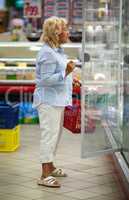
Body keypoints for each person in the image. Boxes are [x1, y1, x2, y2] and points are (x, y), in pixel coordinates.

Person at [33, 16, 75, 188]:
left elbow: (58, 74)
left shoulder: (57, 50)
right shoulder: (47, 53)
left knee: (55, 136)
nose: (68, 32)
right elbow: (45, 80)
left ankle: (50, 166)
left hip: (57, 99)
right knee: (48, 135)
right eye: (65, 29)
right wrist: (65, 72)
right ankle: (44, 174)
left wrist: (70, 77)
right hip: (48, 101)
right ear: (56, 33)